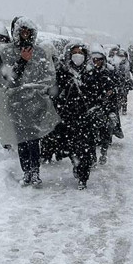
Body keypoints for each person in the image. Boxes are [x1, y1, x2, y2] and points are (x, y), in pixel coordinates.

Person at [0, 16, 59, 186]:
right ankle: (26, 171)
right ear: (16, 32)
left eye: (28, 31)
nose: (25, 34)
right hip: (16, 103)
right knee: (21, 139)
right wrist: (22, 61)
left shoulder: (40, 52)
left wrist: (43, 92)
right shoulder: (7, 52)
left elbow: (47, 76)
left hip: (36, 103)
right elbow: (7, 80)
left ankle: (35, 172)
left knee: (34, 139)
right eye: (22, 31)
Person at [54, 42, 95, 189]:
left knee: (86, 149)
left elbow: (96, 93)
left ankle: (83, 176)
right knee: (72, 147)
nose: (78, 55)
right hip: (68, 117)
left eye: (81, 52)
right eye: (75, 52)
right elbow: (56, 93)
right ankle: (76, 164)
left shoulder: (91, 73)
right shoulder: (63, 72)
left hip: (87, 117)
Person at [84, 46, 119, 165]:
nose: (96, 62)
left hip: (106, 108)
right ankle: (92, 156)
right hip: (92, 108)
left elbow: (115, 89)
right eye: (94, 59)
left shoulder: (109, 72)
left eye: (99, 59)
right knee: (91, 135)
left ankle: (103, 153)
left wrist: (111, 95)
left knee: (105, 133)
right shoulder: (87, 73)